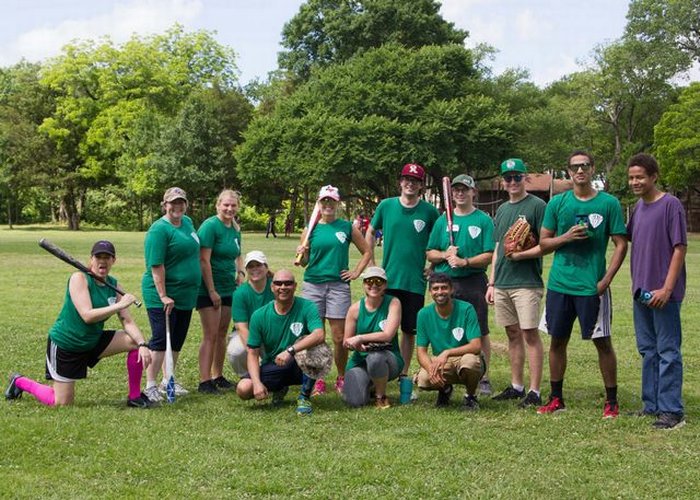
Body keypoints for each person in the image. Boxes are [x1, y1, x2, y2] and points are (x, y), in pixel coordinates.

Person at [5, 241, 153, 408]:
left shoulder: (113, 285)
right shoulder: (79, 278)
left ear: (114, 261)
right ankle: (20, 382)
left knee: (134, 341)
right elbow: (87, 316)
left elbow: (127, 321)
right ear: (91, 259)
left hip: (92, 340)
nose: (102, 261)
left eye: (107, 257)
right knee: (61, 403)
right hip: (67, 343)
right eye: (98, 257)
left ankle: (134, 397)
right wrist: (119, 305)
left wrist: (142, 344)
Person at [537, 151, 627, 418]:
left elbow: (621, 244)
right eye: (575, 167)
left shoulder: (609, 203)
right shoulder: (557, 203)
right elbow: (543, 243)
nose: (580, 171)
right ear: (568, 171)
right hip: (560, 284)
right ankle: (556, 398)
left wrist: (606, 279)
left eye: (584, 166)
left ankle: (611, 401)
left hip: (592, 286)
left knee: (602, 342)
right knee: (557, 341)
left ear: (592, 169)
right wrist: (565, 237)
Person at [627, 153, 687, 430]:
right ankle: (651, 405)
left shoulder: (671, 205)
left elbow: (679, 248)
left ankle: (671, 410)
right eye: (631, 177)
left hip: (664, 294)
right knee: (648, 350)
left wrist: (667, 287)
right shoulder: (637, 208)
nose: (635, 182)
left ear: (653, 177)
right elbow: (622, 239)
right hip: (641, 292)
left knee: (668, 351)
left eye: (640, 176)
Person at [365, 163, 440, 381]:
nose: (410, 183)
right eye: (407, 179)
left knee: (409, 330)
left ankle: (404, 373)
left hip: (414, 281)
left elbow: (439, 241)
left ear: (421, 186)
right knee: (385, 327)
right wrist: (372, 263)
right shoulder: (386, 206)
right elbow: (370, 232)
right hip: (387, 280)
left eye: (415, 181)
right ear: (400, 182)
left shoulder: (429, 211)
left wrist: (432, 267)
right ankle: (383, 368)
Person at [296, 185, 371, 396]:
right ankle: (317, 379)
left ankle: (341, 376)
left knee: (339, 337)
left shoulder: (347, 227)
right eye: (324, 201)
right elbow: (304, 264)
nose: (328, 205)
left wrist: (356, 272)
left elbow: (366, 251)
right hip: (313, 285)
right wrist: (303, 252)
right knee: (315, 336)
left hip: (338, 286)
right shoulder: (310, 229)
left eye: (332, 201)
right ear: (318, 204)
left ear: (337, 204)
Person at [486, 159, 546, 408]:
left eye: (517, 177)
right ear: (503, 181)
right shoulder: (501, 210)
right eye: (508, 178)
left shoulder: (537, 206)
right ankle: (517, 385)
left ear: (525, 179)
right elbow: (498, 247)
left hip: (526, 281)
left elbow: (545, 244)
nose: (512, 182)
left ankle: (535, 391)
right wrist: (491, 282)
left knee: (529, 333)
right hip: (503, 282)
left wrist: (522, 254)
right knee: (512, 333)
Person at [426, 174, 495, 395]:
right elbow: (430, 252)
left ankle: (482, 376)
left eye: (465, 189)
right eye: (456, 189)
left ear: (473, 192)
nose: (460, 193)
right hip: (446, 282)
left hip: (473, 282)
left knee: (480, 329)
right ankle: (446, 373)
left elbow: (488, 255)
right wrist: (445, 255)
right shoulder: (442, 220)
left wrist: (465, 261)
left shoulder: (483, 220)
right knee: (446, 327)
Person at [236, 270, 325, 415]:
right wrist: (257, 383)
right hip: (275, 364)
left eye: (288, 283)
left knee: (319, 349)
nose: (283, 287)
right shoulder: (259, 315)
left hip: (300, 365)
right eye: (278, 283)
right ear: (272, 287)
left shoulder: (307, 306)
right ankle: (279, 387)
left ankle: (304, 397)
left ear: (295, 286)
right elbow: (252, 354)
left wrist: (290, 351)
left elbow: (319, 334)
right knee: (243, 389)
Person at [141, 187, 201, 402]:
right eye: (172, 203)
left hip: (185, 295)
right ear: (165, 205)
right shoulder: (159, 230)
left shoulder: (187, 223)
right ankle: (150, 385)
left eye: (181, 202)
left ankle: (169, 380)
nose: (177, 207)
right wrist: (163, 295)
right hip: (162, 295)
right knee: (160, 340)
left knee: (176, 339)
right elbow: (156, 266)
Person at [196, 189, 244, 394]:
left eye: (233, 205)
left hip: (228, 287)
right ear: (217, 205)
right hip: (208, 288)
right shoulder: (210, 226)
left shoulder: (235, 228)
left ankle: (218, 375)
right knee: (211, 334)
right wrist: (212, 290)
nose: (229, 208)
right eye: (226, 205)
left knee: (222, 333)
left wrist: (240, 273)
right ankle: (204, 381)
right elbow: (203, 260)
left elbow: (238, 255)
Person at [415, 273, 483, 411]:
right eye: (435, 288)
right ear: (430, 292)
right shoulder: (423, 314)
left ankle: (470, 396)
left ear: (452, 290)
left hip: (465, 356)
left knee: (470, 363)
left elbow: (476, 346)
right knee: (423, 379)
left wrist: (448, 352)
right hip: (442, 362)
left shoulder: (467, 309)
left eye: (444, 288)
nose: (440, 292)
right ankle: (445, 390)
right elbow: (421, 352)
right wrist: (431, 370)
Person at [342, 267, 403, 409]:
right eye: (369, 281)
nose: (374, 285)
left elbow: (388, 335)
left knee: (375, 358)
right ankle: (371, 385)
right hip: (361, 361)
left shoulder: (393, 303)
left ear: (385, 285)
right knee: (354, 401)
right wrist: (356, 345)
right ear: (363, 284)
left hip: (388, 358)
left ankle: (380, 396)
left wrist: (360, 338)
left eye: (379, 281)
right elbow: (346, 341)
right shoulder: (355, 309)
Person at [228, 250, 274, 377]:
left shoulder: (276, 287)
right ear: (246, 269)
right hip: (249, 333)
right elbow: (242, 327)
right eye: (251, 266)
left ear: (266, 267)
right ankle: (248, 376)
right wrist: (253, 352)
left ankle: (277, 376)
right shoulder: (240, 293)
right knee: (236, 352)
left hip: (273, 332)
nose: (255, 269)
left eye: (258, 265)